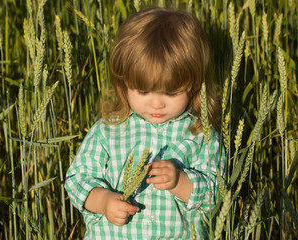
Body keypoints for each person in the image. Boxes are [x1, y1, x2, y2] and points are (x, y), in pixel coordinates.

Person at [65, 6, 225, 239]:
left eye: (171, 93)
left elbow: (217, 193)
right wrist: (104, 201)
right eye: (143, 91)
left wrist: (180, 182)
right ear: (124, 83)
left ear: (194, 85)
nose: (157, 104)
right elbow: (78, 180)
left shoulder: (201, 135)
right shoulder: (108, 130)